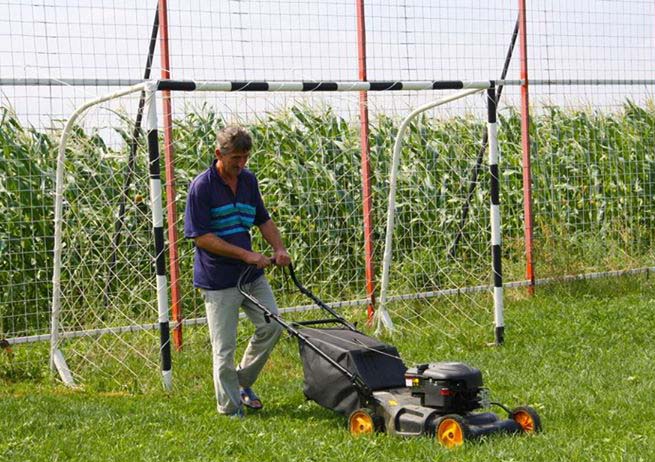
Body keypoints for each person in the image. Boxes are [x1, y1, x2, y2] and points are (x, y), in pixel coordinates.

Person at [184, 126, 291, 418]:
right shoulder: (202, 187)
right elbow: (200, 236)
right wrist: (246, 254)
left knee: (272, 325)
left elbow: (262, 219)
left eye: (245, 158)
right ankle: (230, 410)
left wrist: (279, 248)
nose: (241, 164)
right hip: (218, 280)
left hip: (251, 275)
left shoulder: (248, 181)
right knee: (224, 348)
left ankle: (241, 383)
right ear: (219, 154)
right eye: (236, 159)